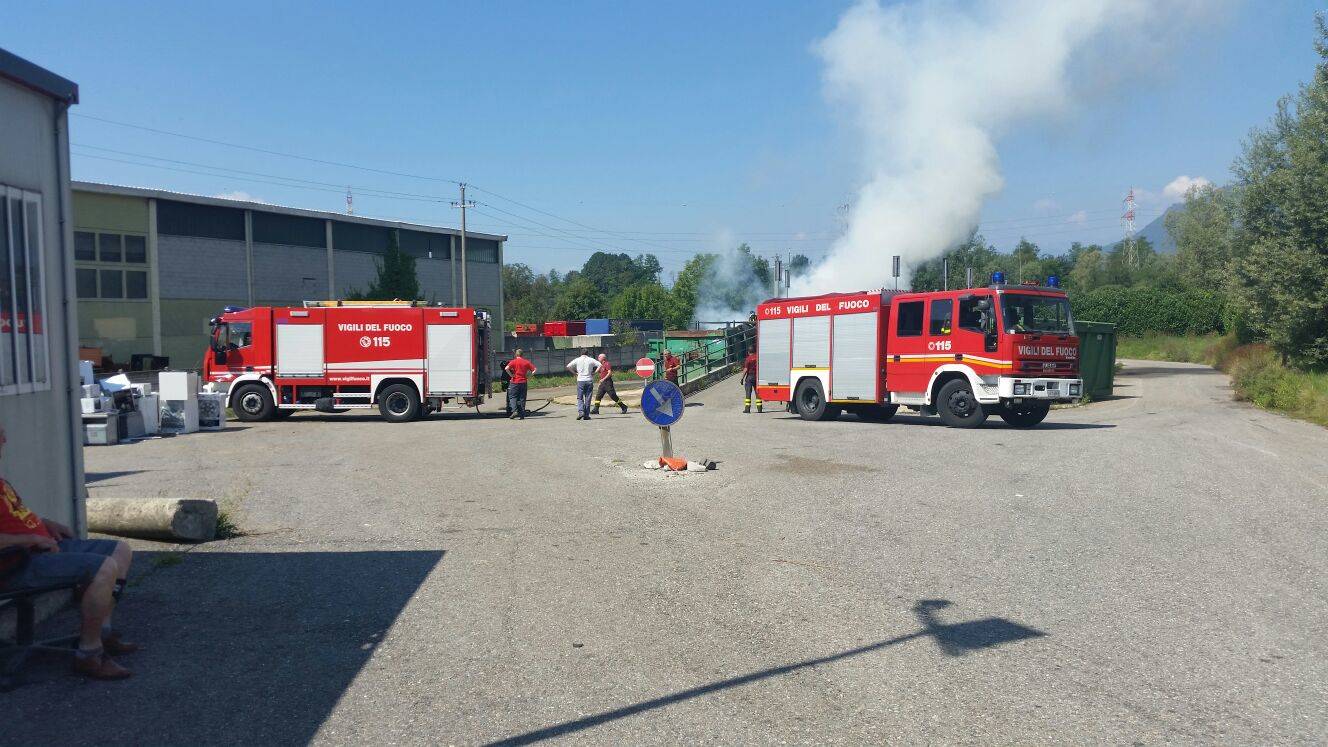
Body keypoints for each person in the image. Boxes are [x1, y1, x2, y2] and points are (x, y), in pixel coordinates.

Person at [0, 424, 139, 680]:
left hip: (40, 548)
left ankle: (103, 632)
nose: (5, 439)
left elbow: (13, 518)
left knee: (120, 550)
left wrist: (43, 524)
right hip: (15, 563)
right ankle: (89, 654)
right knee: (103, 567)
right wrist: (31, 537)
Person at [566, 349, 601, 421]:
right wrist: (594, 372)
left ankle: (581, 412)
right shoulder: (591, 359)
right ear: (587, 353)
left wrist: (575, 373)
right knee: (588, 397)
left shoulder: (577, 359)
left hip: (580, 380)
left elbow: (568, 366)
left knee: (580, 397)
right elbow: (600, 365)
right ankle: (586, 415)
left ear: (581, 353)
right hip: (589, 380)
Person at [504, 349, 537, 419]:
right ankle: (522, 414)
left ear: (516, 354)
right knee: (522, 398)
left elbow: (506, 368)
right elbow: (534, 369)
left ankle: (515, 411)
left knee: (512, 397)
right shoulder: (526, 362)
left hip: (514, 382)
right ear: (522, 355)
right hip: (523, 382)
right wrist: (529, 376)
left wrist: (511, 375)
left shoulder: (513, 361)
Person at [742, 347, 762, 414]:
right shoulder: (758, 357)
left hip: (750, 377)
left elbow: (746, 369)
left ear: (748, 352)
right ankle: (759, 409)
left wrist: (742, 378)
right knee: (757, 393)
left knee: (748, 393)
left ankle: (747, 409)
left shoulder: (748, 359)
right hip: (757, 377)